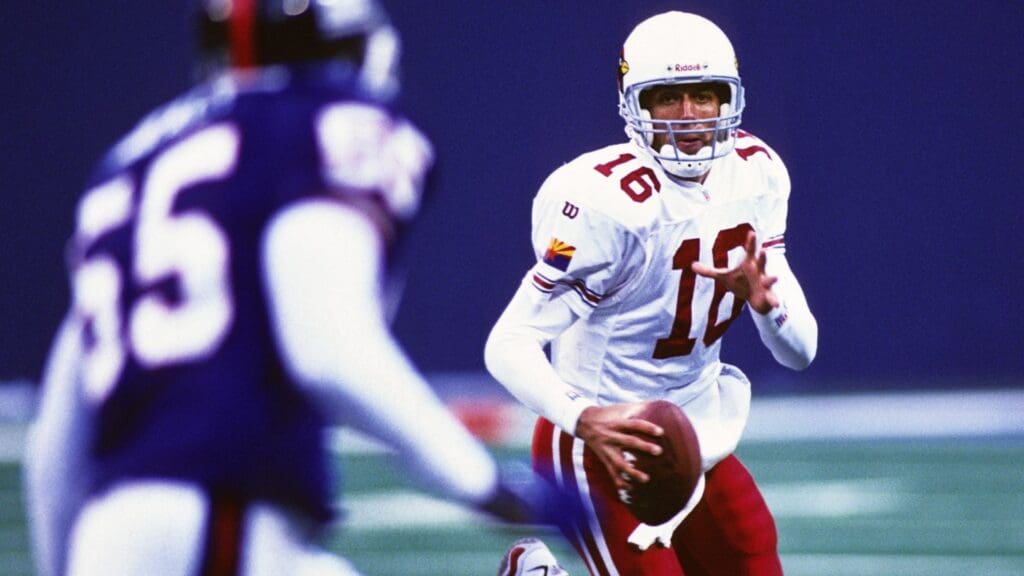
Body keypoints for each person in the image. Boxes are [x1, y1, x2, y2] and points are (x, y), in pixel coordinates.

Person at [23, 1, 566, 575]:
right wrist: (486, 486)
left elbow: (54, 446)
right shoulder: (324, 126)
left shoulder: (127, 165)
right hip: (220, 515)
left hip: (110, 536)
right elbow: (329, 350)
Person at [486, 10, 818, 576]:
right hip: (600, 444)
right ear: (634, 103)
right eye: (667, 98)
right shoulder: (603, 201)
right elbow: (508, 343)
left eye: (705, 95)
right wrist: (584, 418)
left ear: (729, 99)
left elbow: (800, 352)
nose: (688, 116)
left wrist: (767, 307)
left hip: (696, 427)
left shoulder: (756, 173)